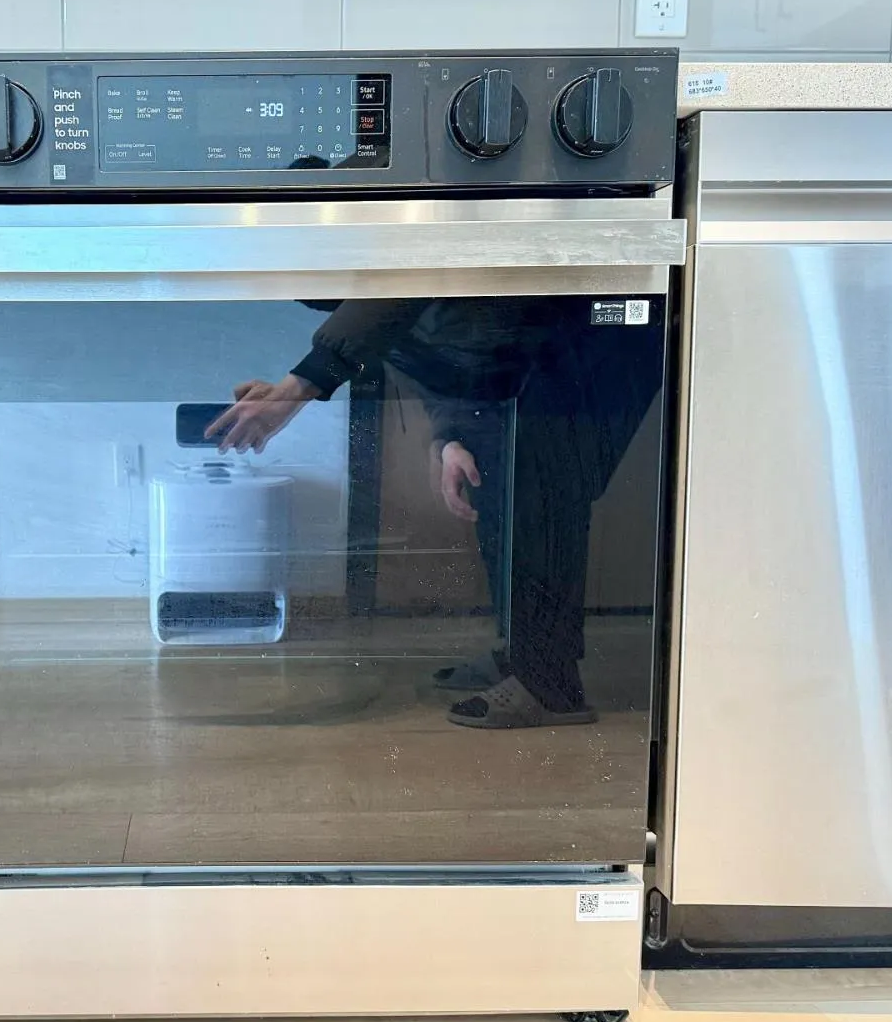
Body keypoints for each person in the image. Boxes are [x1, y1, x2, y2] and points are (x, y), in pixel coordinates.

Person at [205, 296, 661, 729]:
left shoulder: (393, 282)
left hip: (605, 325)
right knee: (495, 467)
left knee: (541, 480)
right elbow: (456, 363)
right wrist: (450, 438)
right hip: (548, 343)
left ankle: (548, 684)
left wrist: (297, 388)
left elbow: (412, 304)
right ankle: (526, 653)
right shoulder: (383, 306)